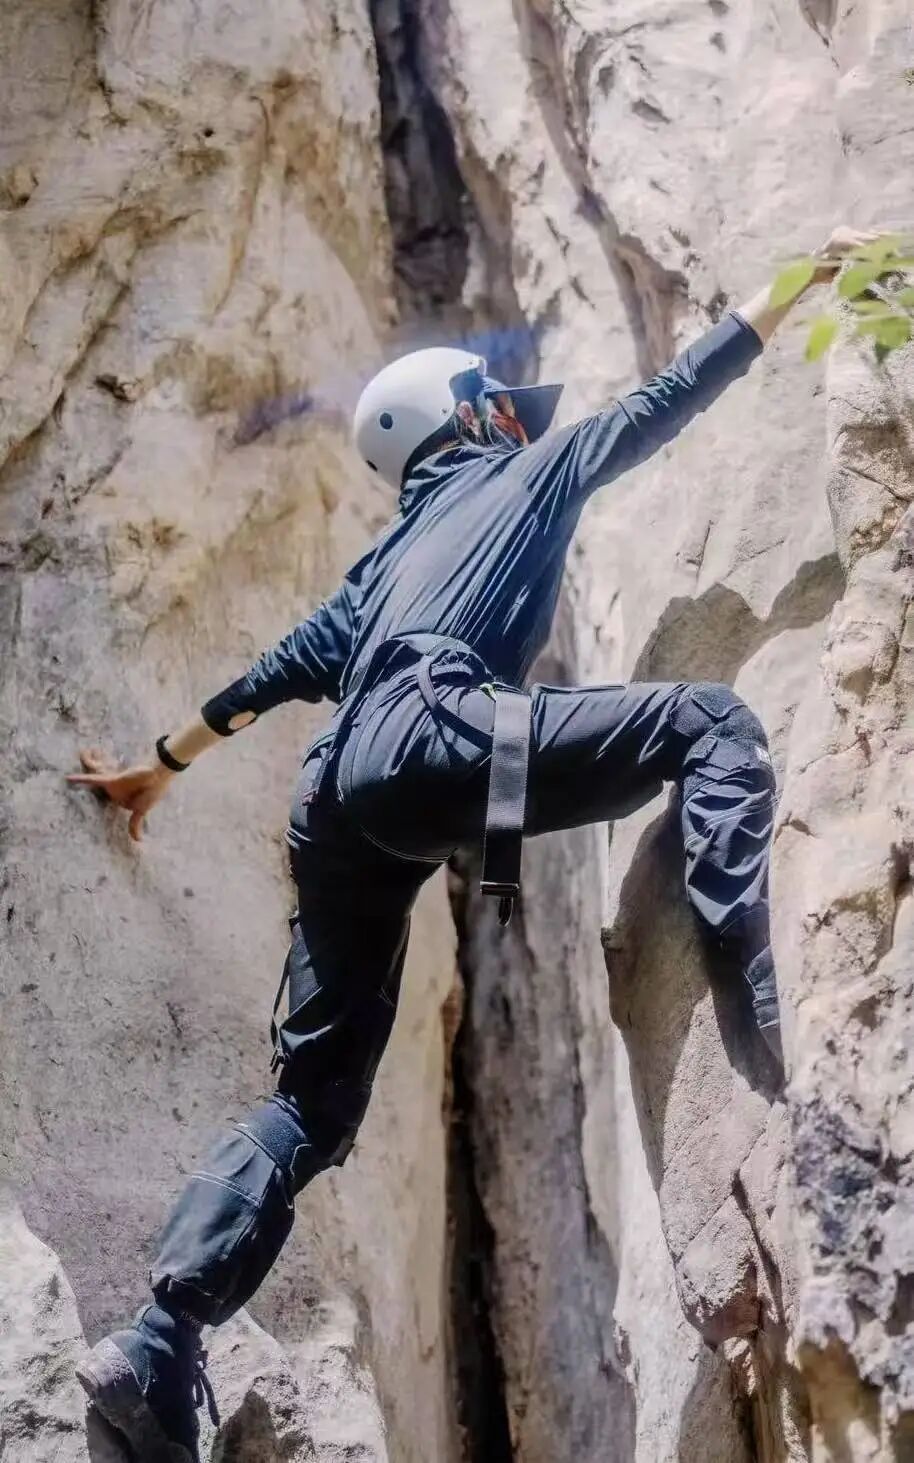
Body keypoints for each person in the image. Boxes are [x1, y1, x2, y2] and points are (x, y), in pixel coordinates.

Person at [68, 226, 875, 1461]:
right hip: (439, 737)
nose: (510, 411)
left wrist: (159, 766)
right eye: (495, 400)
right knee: (710, 722)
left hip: (336, 798)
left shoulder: (378, 566)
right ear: (472, 416)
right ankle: (753, 1000)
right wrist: (793, 282)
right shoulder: (527, 473)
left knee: (309, 1105)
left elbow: (267, 676)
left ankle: (158, 1339)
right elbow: (664, 400)